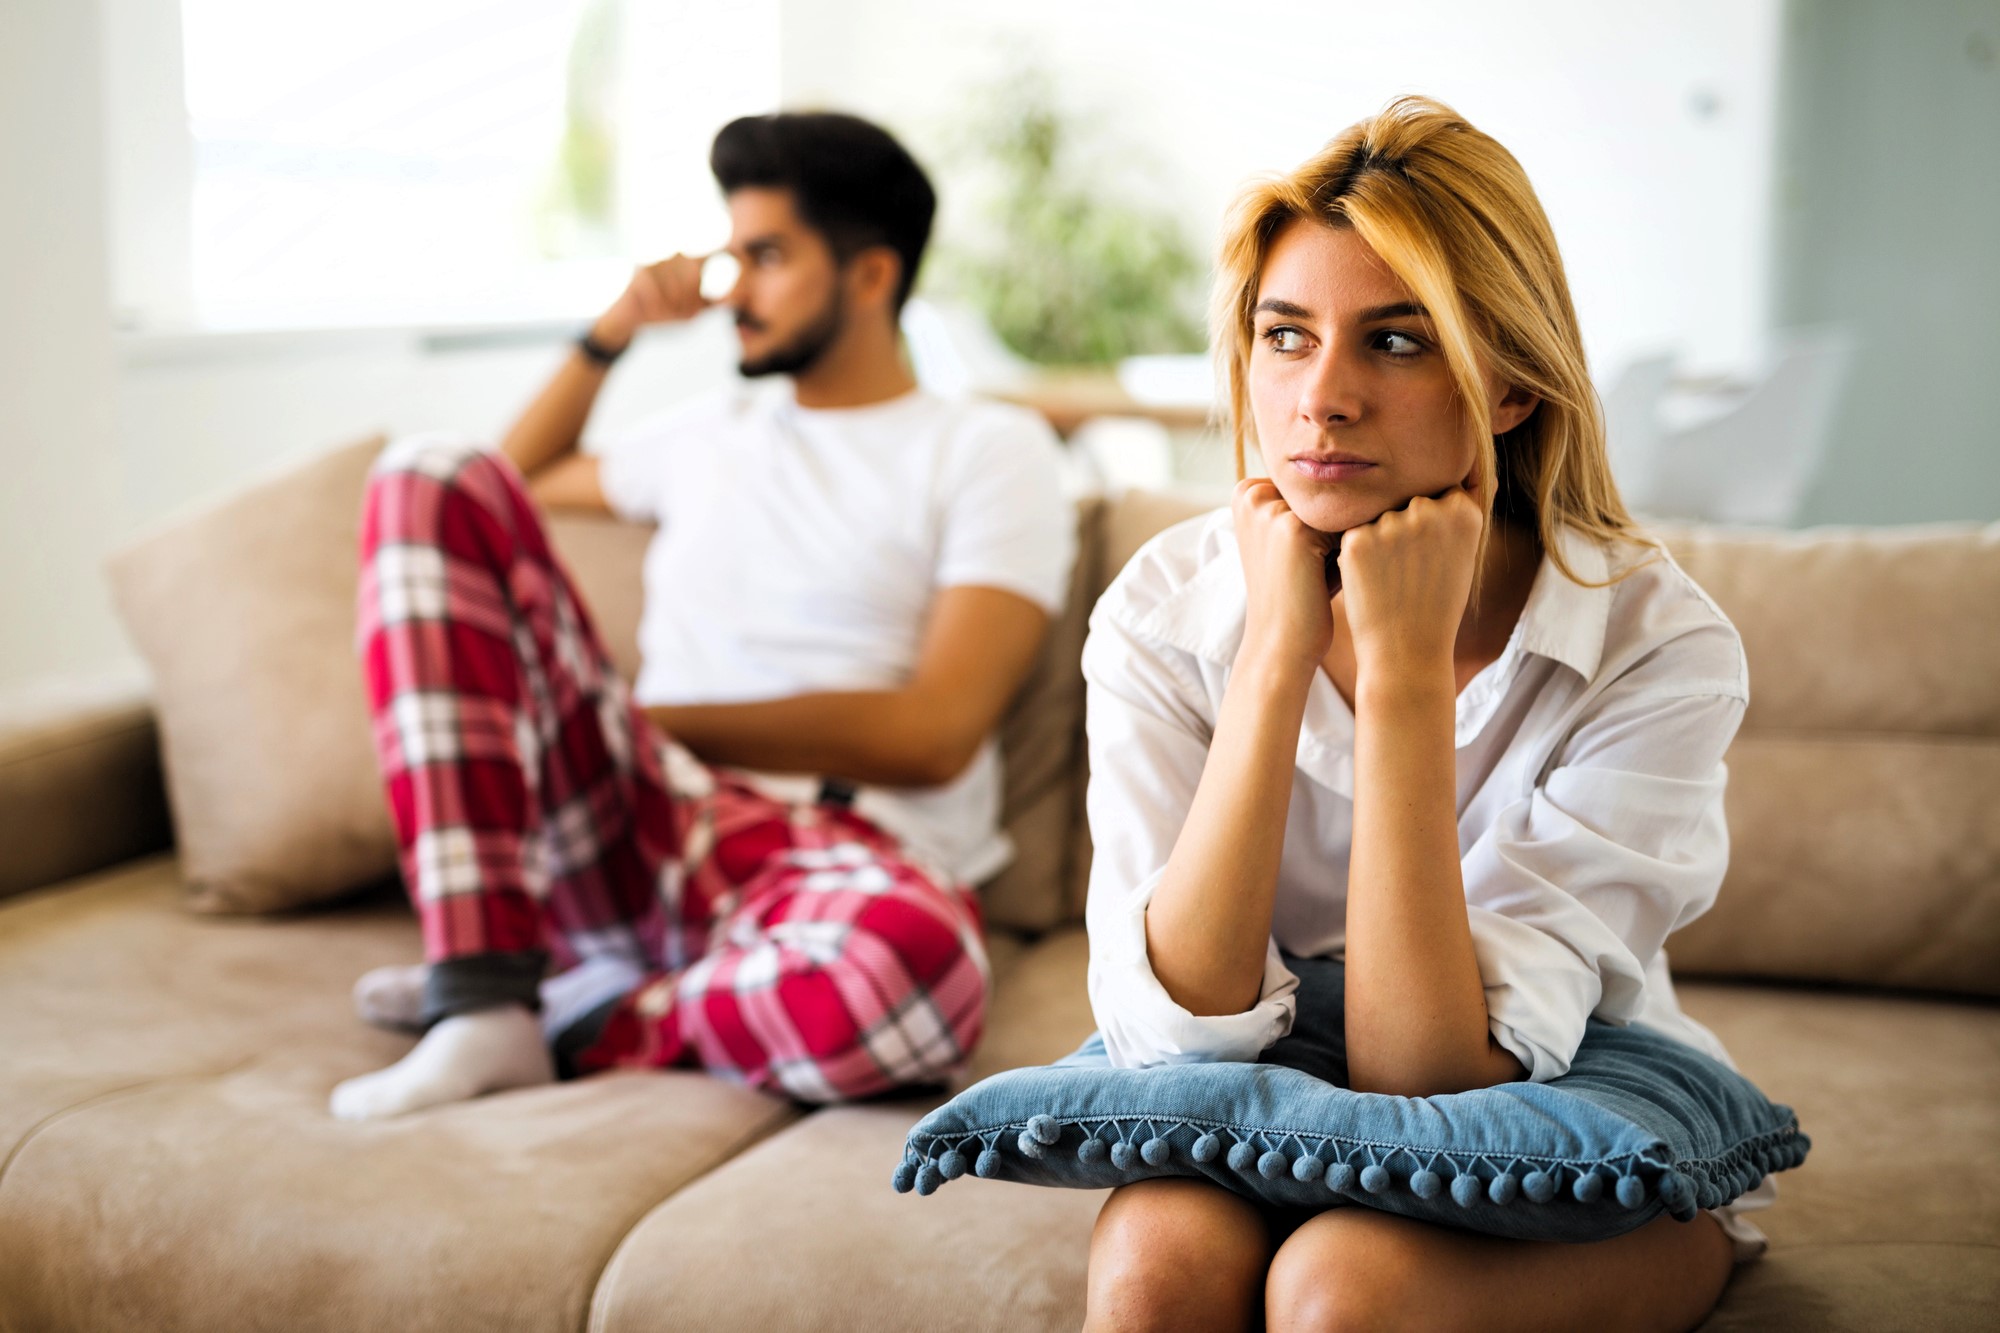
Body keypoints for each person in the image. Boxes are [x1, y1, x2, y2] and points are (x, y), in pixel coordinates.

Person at [1078, 97, 1773, 1330]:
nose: (1320, 398)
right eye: (1285, 337)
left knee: (1341, 1290)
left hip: (1567, 1102)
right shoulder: (1163, 609)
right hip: (1266, 1079)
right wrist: (1276, 650)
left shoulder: (1654, 644)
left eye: (1394, 343)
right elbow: (1174, 1027)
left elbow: (1431, 1075)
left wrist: (1400, 677)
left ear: (1506, 384)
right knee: (1151, 1273)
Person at [329, 111, 1073, 1121]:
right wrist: (614, 329)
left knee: (913, 971)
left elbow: (935, 733)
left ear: (869, 276)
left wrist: (660, 724)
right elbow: (512, 480)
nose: (732, 290)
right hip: (637, 817)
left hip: (838, 857)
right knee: (425, 470)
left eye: (765, 257)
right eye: (729, 255)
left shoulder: (987, 447)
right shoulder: (706, 434)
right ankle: (488, 990)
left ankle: (573, 1009)